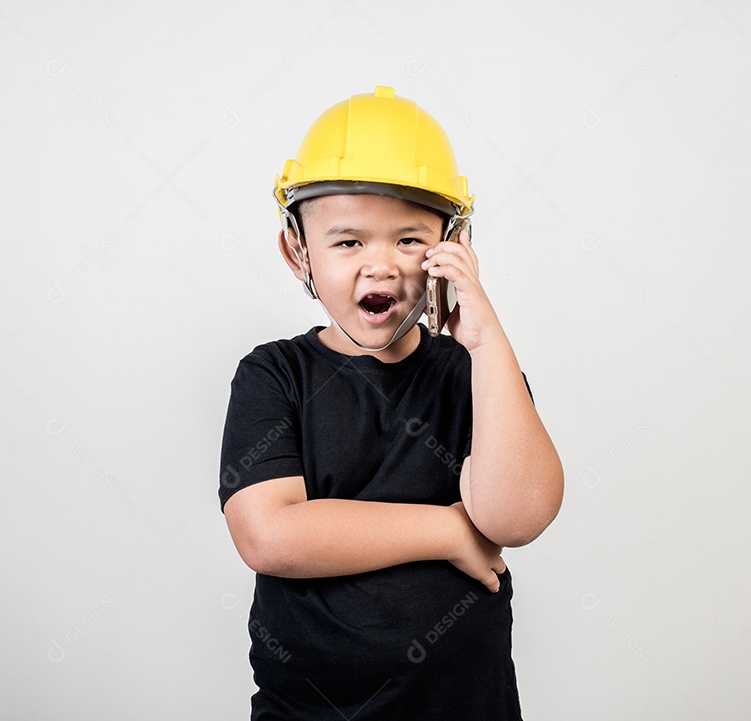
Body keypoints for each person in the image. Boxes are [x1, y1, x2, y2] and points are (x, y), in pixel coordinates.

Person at [219, 86, 563, 720]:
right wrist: (450, 531)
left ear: (451, 246)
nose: (380, 268)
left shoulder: (477, 374)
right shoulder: (274, 374)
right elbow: (269, 534)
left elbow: (519, 517)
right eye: (349, 242)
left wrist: (486, 341)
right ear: (299, 251)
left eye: (409, 241)